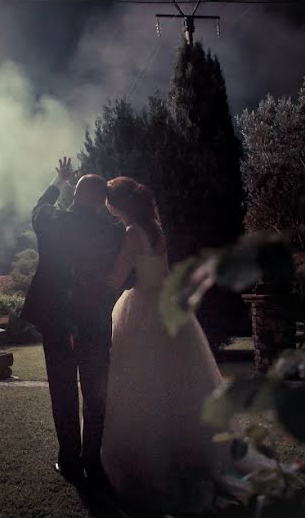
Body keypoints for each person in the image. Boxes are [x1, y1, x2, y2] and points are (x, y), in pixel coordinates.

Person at [100, 176, 239, 512]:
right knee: (177, 378)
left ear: (118, 204)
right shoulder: (156, 228)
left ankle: (147, 452)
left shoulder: (133, 232)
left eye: (109, 202)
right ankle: (185, 447)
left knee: (142, 379)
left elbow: (117, 276)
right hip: (167, 304)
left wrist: (88, 278)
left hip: (145, 305)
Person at [19, 158, 125, 483]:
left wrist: (58, 182)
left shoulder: (53, 222)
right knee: (96, 392)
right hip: (94, 321)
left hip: (56, 321)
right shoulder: (111, 232)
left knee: (63, 391)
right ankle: (92, 460)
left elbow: (38, 208)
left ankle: (69, 459)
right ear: (101, 202)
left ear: (75, 195)